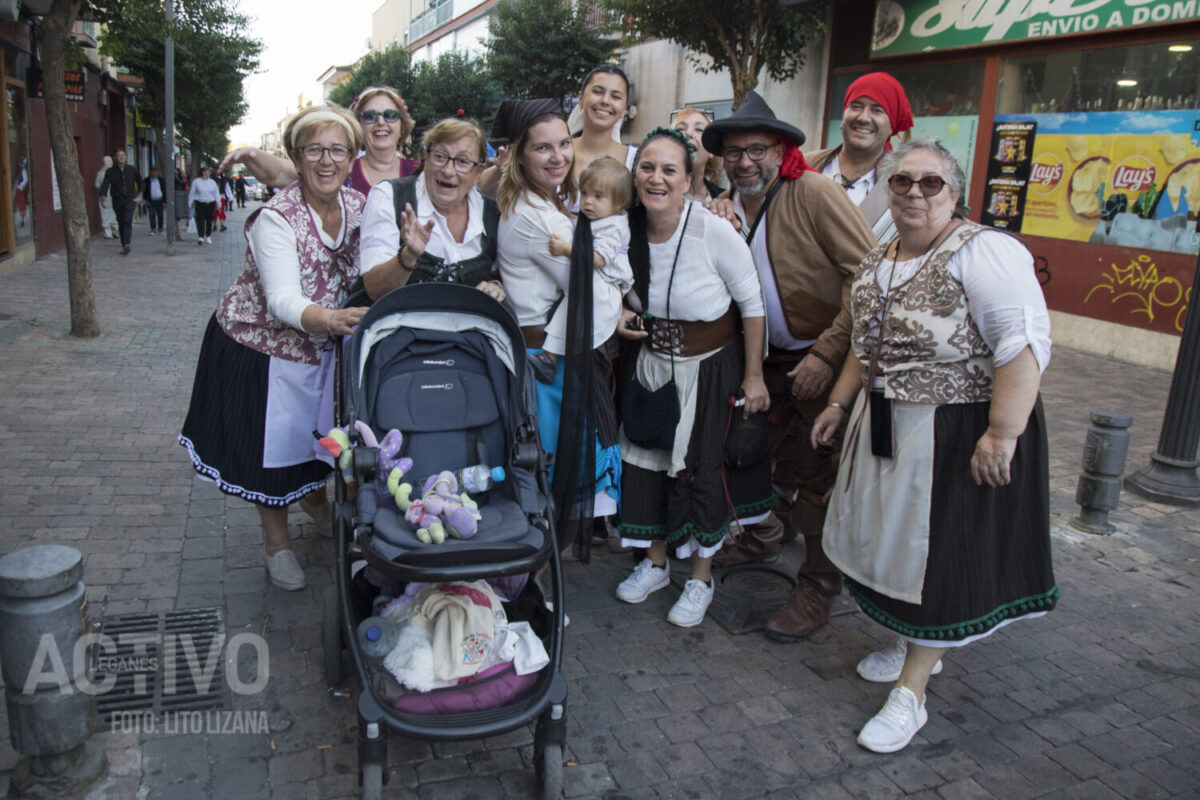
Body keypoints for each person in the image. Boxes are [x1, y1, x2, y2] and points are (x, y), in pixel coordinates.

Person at [813, 140, 1056, 753]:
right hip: (887, 422)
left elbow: (1021, 344)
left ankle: (912, 693)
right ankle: (910, 644)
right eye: (902, 182)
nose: (914, 193)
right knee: (895, 545)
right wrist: (840, 404)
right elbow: (862, 346)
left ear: (954, 195)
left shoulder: (987, 252)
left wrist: (1002, 433)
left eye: (930, 184)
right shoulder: (881, 255)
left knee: (937, 556)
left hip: (956, 429)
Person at [701, 91, 876, 642]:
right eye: (734, 152)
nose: (745, 161)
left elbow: (868, 275)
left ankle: (818, 588)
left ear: (780, 152)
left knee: (818, 477)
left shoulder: (815, 192)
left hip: (820, 354)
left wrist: (829, 350)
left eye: (757, 149)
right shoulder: (726, 204)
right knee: (744, 451)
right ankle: (763, 534)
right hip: (764, 358)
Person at [178, 105, 370, 591]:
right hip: (260, 347)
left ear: (352, 158)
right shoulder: (275, 218)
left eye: (337, 150)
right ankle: (276, 545)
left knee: (319, 440)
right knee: (270, 452)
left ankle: (317, 502)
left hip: (323, 349)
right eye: (313, 150)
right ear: (296, 156)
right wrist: (331, 318)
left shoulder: (360, 207)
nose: (326, 161)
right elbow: (284, 300)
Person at [612, 127, 770, 628]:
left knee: (701, 472)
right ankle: (656, 564)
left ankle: (700, 577)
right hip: (651, 365)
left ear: (689, 179)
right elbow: (606, 280)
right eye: (647, 168)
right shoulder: (623, 228)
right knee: (651, 465)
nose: (656, 179)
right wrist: (617, 310)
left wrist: (754, 376)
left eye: (669, 170)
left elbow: (752, 304)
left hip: (709, 369)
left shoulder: (712, 229)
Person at [493, 98, 622, 557]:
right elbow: (588, 287)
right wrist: (621, 287)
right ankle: (532, 593)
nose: (558, 156)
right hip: (548, 367)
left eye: (563, 144)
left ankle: (535, 591)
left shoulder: (551, 203)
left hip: (554, 356)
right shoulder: (536, 216)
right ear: (518, 155)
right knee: (556, 494)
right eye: (542, 148)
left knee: (557, 492)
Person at [358, 116, 506, 302]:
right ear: (425, 158)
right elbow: (374, 289)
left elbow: (508, 276)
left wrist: (496, 286)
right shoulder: (388, 196)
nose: (448, 171)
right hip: (400, 327)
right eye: (440, 157)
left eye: (462, 161)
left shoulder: (493, 214)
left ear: (478, 171)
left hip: (469, 328)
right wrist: (408, 255)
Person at [222, 86, 419, 194]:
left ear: (402, 123)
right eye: (370, 116)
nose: (381, 122)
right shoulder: (339, 167)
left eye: (390, 115)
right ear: (357, 125)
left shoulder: (421, 172)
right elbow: (278, 173)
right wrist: (252, 154)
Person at [538, 155, 633, 375]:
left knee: (577, 301)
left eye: (598, 196)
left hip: (609, 283)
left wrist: (565, 249)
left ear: (618, 203)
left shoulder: (615, 226)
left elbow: (598, 259)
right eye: (585, 193)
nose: (588, 201)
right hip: (601, 278)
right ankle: (551, 358)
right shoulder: (596, 217)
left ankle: (550, 358)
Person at [808, 72, 914, 243]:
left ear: (891, 125)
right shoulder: (805, 166)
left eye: (877, 110)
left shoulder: (905, 184)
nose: (864, 118)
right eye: (856, 106)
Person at [671, 108, 724, 199]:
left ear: (711, 151)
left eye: (699, 129)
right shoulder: (651, 195)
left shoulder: (723, 199)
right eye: (680, 129)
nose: (688, 133)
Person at [99, 149, 142, 255]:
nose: (121, 157)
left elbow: (141, 182)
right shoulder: (110, 172)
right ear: (115, 158)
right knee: (121, 222)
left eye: (123, 155)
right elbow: (105, 185)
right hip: (117, 199)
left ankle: (127, 243)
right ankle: (124, 245)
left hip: (130, 198)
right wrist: (103, 199)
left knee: (127, 220)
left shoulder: (132, 169)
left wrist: (139, 196)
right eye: (119, 155)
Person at [188, 166, 220, 245]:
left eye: (208, 172)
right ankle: (201, 236)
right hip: (200, 203)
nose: (208, 173)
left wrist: (219, 204)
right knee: (200, 219)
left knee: (209, 220)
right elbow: (192, 193)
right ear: (202, 173)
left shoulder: (212, 182)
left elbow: (216, 194)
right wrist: (190, 202)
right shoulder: (196, 181)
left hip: (210, 203)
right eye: (206, 171)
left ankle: (208, 236)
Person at [96, 156, 117, 239]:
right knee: (113, 211)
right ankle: (114, 227)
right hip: (114, 194)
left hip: (103, 195)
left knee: (104, 212)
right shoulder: (115, 171)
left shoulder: (100, 173)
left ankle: (107, 231)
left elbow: (97, 185)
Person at [143, 166, 165, 235]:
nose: (154, 173)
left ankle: (160, 228)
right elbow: (144, 191)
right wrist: (146, 199)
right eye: (153, 172)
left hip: (160, 200)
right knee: (152, 215)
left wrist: (164, 201)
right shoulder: (147, 180)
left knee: (160, 215)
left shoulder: (161, 180)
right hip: (151, 200)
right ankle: (153, 229)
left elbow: (164, 190)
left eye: (155, 172)